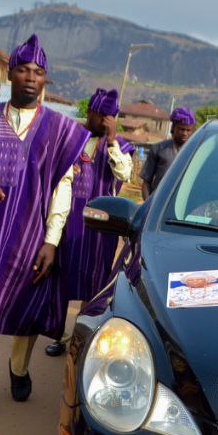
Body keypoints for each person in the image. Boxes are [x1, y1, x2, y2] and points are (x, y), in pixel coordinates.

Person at [0, 35, 89, 422]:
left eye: (39, 72)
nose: (31, 77)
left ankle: (19, 368)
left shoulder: (60, 129)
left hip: (32, 235)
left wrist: (52, 240)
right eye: (24, 70)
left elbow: (63, 187)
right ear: (10, 73)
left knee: (27, 307)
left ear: (46, 80)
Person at [43, 89, 134, 356]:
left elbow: (125, 173)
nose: (106, 121)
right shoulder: (72, 139)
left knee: (95, 284)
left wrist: (112, 140)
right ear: (91, 112)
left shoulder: (120, 147)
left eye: (112, 116)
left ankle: (83, 339)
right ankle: (60, 337)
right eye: (102, 115)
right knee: (61, 279)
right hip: (69, 222)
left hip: (101, 229)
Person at [140, 106, 195, 198]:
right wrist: (148, 207)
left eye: (188, 130)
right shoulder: (158, 149)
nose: (185, 133)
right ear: (173, 127)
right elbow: (146, 183)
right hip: (159, 202)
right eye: (181, 129)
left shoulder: (195, 152)